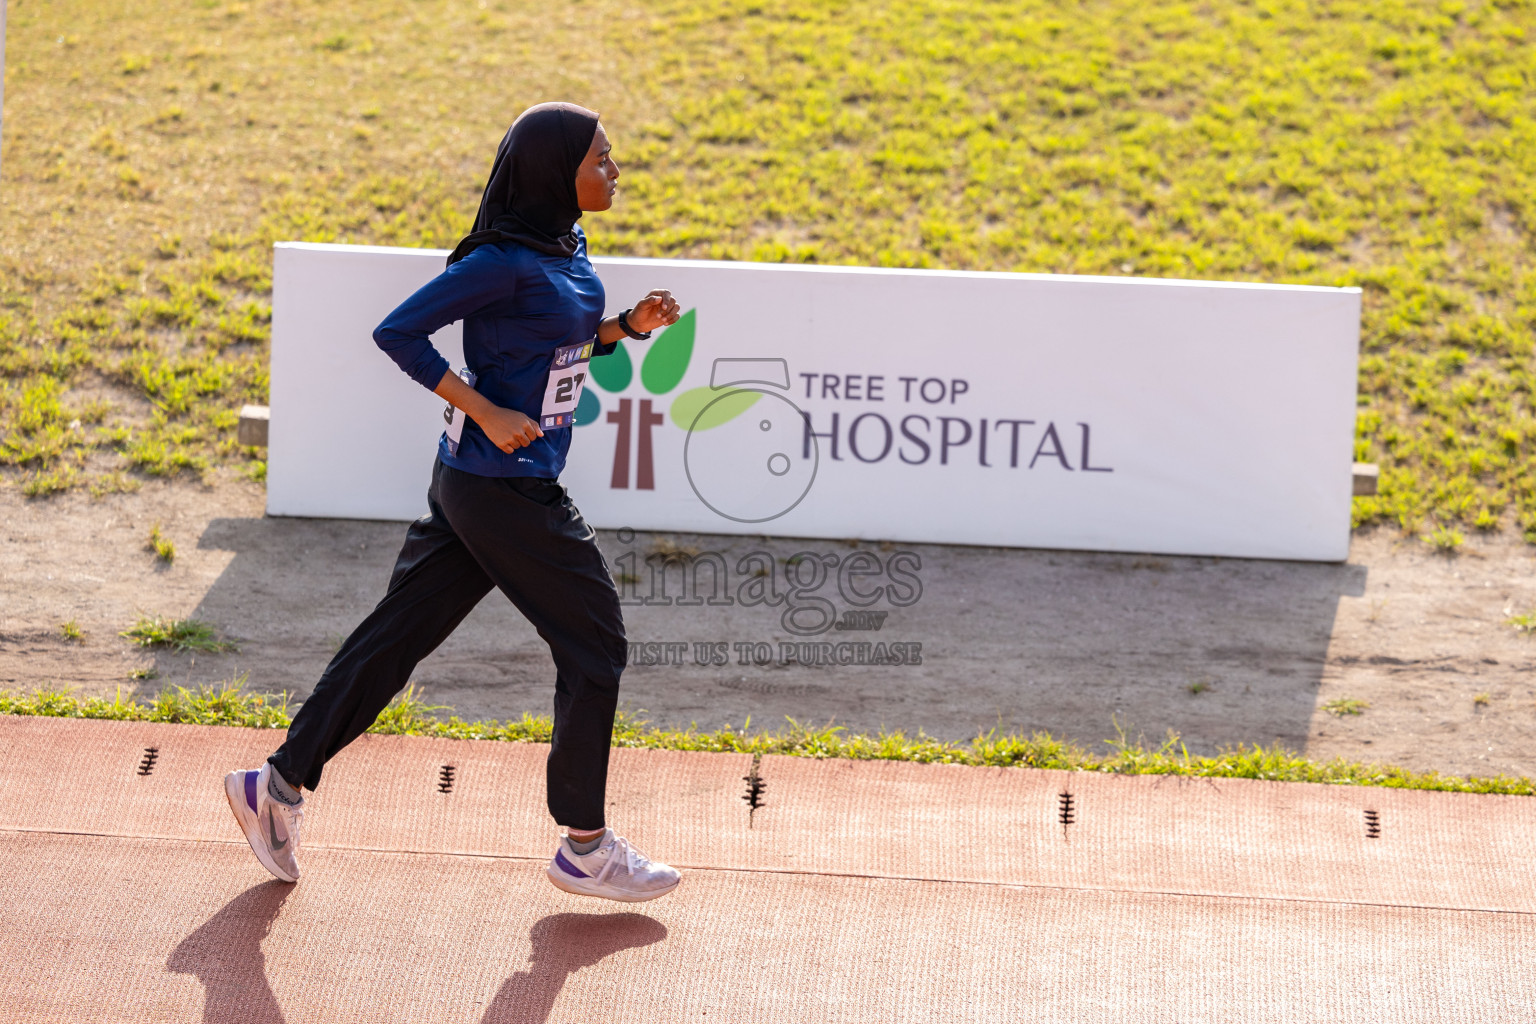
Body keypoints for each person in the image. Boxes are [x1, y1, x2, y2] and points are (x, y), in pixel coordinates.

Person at [224, 102, 683, 903]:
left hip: (474, 487)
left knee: (393, 641)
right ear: (554, 172)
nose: (616, 171)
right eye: (601, 159)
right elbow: (397, 332)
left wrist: (620, 328)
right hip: (506, 491)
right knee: (595, 646)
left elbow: (548, 347)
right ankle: (586, 846)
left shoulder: (562, 242)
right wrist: (483, 408)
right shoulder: (503, 260)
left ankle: (277, 787)